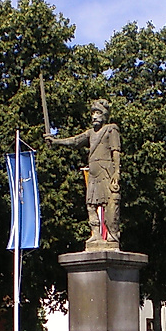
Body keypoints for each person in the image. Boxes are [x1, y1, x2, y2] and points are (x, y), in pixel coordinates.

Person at [45, 98, 121, 246]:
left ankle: (112, 235)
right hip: (93, 173)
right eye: (92, 113)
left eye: (98, 113)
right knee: (90, 205)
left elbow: (116, 152)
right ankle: (96, 234)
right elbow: (74, 141)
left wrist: (116, 172)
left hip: (106, 172)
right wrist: (56, 141)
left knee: (110, 203)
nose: (94, 116)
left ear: (104, 115)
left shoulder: (111, 129)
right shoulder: (90, 133)